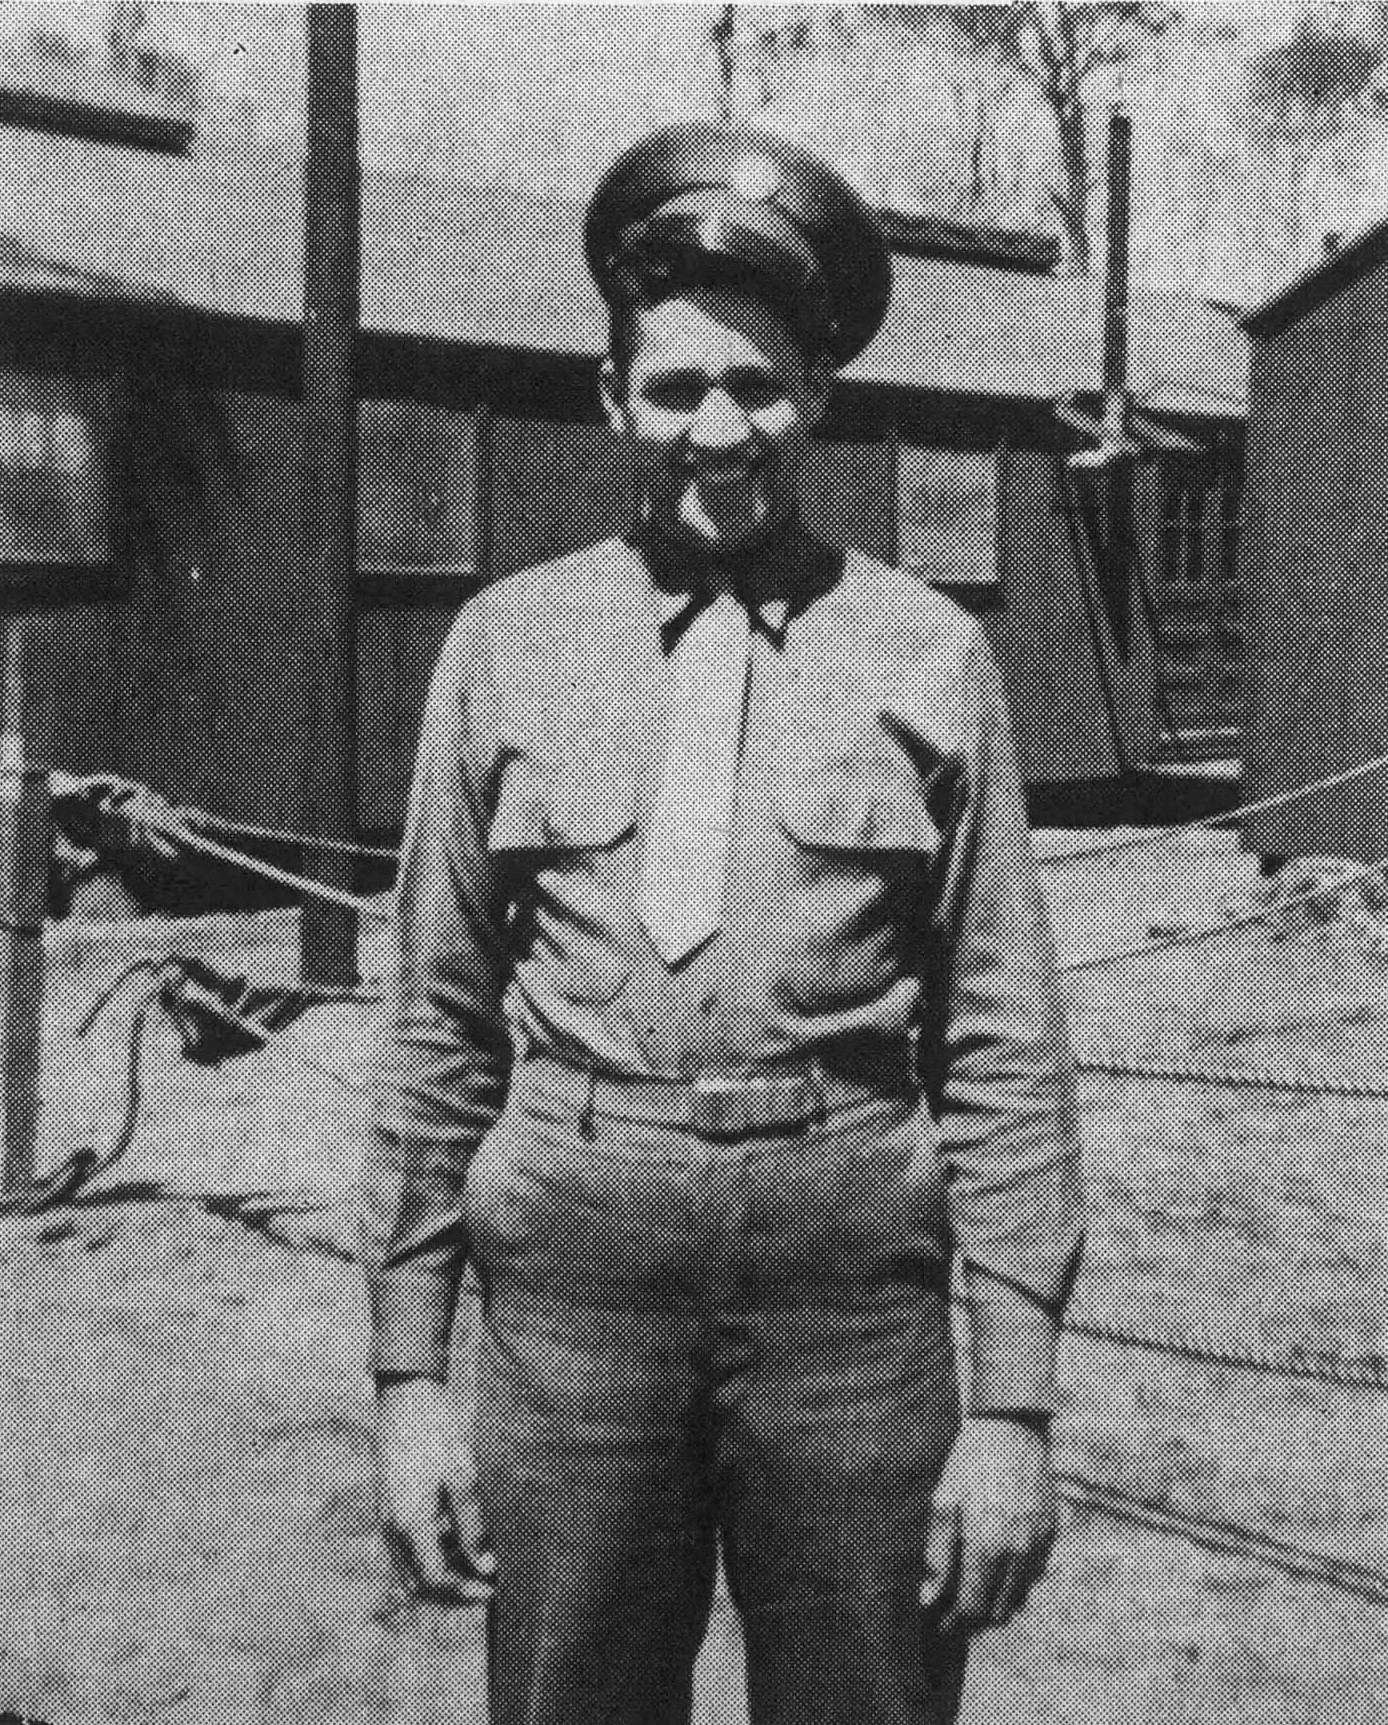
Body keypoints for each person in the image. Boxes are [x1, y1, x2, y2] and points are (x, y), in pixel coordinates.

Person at [363, 119, 1085, 1725]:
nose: (718, 427)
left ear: (817, 393)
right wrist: (409, 1377)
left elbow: (1004, 1042)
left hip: (850, 1293)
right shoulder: (505, 644)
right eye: (678, 384)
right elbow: (432, 1028)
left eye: (757, 385)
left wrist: (1013, 1409)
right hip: (576, 1288)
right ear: (612, 397)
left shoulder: (927, 653)